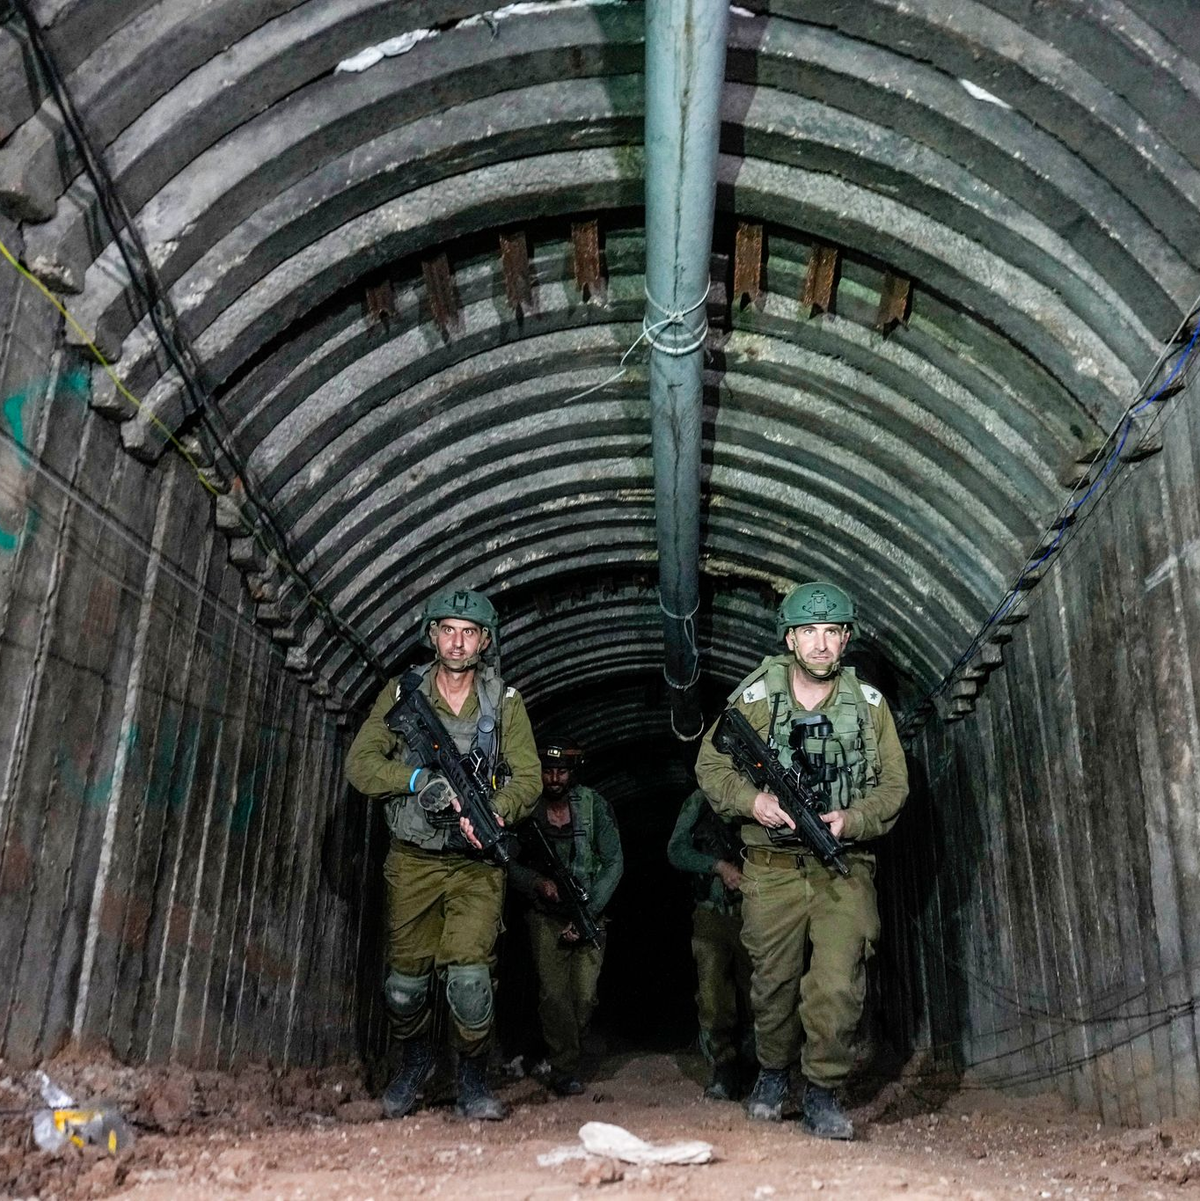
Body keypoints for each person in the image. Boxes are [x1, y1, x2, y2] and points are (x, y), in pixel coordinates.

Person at [694, 581, 908, 1141]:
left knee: (837, 983)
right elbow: (711, 768)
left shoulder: (869, 707)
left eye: (830, 633)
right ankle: (772, 1072)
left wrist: (852, 820)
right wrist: (754, 802)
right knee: (772, 983)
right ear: (790, 638)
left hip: (844, 864)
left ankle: (821, 1089)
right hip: (771, 867)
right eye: (808, 632)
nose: (819, 644)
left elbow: (893, 786)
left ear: (844, 641)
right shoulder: (757, 698)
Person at [345, 587, 541, 1121]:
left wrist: (497, 812)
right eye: (447, 630)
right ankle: (414, 1065)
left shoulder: (505, 702)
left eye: (469, 632)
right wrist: (414, 779)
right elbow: (361, 765)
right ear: (432, 635)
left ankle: (471, 1078)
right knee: (405, 984)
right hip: (413, 858)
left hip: (475, 865)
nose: (457, 642)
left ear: (484, 641)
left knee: (470, 979)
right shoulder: (401, 693)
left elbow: (529, 777)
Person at [508, 736, 623, 1096]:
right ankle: (564, 1068)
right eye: (548, 771)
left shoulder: (592, 806)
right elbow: (506, 861)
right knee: (554, 996)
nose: (554, 778)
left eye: (561, 772)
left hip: (589, 914)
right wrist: (537, 882)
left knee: (585, 997)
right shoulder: (526, 808)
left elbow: (614, 862)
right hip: (545, 917)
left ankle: (567, 1050)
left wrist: (588, 911)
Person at [666, 788, 754, 1101]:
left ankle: (762, 1064)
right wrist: (717, 866)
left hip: (757, 911)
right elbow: (676, 850)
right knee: (713, 996)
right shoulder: (700, 800)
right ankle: (724, 1066)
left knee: (763, 994)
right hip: (711, 912)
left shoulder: (765, 791)